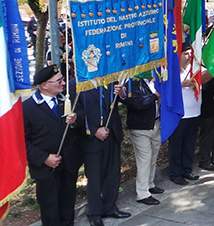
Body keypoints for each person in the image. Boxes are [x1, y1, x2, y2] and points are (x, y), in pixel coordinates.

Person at [23, 65, 80, 226]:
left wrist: (75, 121)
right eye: (59, 81)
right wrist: (44, 158)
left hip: (68, 163)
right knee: (50, 208)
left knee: (67, 205)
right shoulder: (27, 108)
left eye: (63, 79)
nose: (64, 83)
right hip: (46, 169)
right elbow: (23, 142)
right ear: (44, 85)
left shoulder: (65, 101)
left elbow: (79, 124)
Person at [74, 78, 130, 225]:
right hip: (92, 139)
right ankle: (94, 213)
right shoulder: (76, 83)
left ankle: (110, 207)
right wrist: (93, 131)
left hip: (112, 134)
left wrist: (122, 93)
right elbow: (76, 113)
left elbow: (121, 100)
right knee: (95, 178)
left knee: (113, 174)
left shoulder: (109, 78)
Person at [118, 73, 163, 205]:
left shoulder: (157, 80)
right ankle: (142, 193)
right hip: (140, 127)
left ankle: (150, 183)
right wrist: (155, 96)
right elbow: (137, 104)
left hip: (155, 123)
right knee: (144, 159)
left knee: (153, 156)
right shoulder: (133, 83)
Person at [168, 43, 202, 185]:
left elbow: (207, 75)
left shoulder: (195, 69)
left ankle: (187, 170)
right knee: (177, 144)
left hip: (195, 112)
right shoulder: (173, 70)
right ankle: (175, 173)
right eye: (185, 54)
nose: (189, 56)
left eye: (190, 53)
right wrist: (182, 84)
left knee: (190, 143)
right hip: (180, 114)